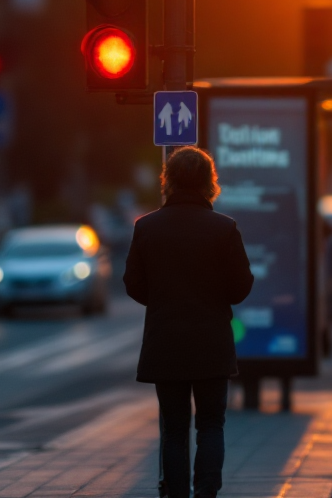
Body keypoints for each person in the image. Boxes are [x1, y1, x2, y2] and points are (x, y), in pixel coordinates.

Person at [124, 146, 255, 498]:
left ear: (169, 181)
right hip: (211, 342)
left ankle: (177, 494)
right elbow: (241, 286)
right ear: (208, 183)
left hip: (165, 342)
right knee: (211, 424)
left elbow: (132, 284)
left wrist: (164, 300)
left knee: (174, 428)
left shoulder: (146, 227)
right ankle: (206, 493)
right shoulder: (224, 229)